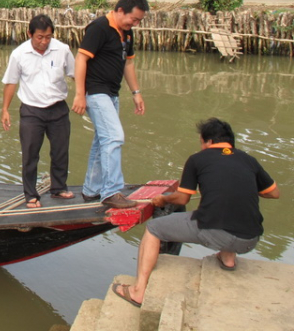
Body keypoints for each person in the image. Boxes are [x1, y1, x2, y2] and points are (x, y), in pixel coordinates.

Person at [111, 118, 280, 308]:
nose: (200, 147)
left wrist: (163, 199)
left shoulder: (198, 159)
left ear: (208, 141)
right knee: (230, 212)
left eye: (201, 142)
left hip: (216, 231)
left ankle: (138, 291)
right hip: (251, 239)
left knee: (153, 229)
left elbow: (182, 198)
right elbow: (274, 193)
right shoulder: (248, 160)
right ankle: (228, 259)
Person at [72, 0, 149, 209]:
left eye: (138, 21)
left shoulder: (127, 33)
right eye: (133, 19)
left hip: (112, 94)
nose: (134, 24)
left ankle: (91, 189)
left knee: (102, 141)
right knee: (114, 137)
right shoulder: (99, 28)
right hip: (96, 92)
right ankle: (111, 191)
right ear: (120, 10)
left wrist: (136, 93)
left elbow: (128, 64)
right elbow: (81, 59)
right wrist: (79, 94)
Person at [1, 14, 75, 207]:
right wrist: (5, 110)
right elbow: (11, 82)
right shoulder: (19, 54)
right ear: (30, 34)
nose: (44, 42)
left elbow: (75, 74)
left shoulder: (63, 50)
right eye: (40, 37)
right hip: (31, 111)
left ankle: (59, 188)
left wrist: (83, 95)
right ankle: (31, 194)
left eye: (48, 37)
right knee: (30, 153)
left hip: (58, 108)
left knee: (60, 151)